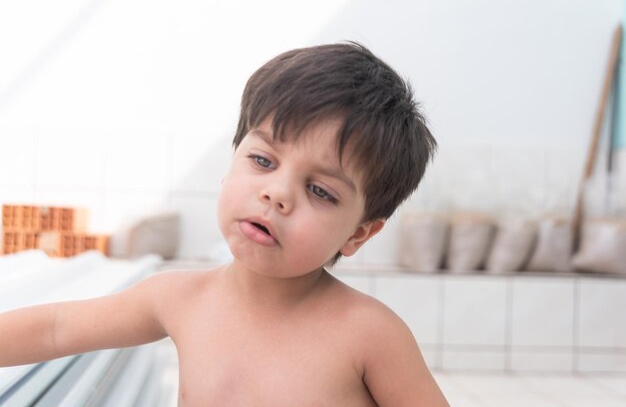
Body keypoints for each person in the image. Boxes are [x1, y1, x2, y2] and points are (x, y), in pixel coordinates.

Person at [0, 42, 449, 406]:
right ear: (230, 164)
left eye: (320, 191)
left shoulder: (369, 334)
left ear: (359, 234)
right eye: (261, 160)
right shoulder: (178, 298)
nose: (277, 193)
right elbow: (56, 327)